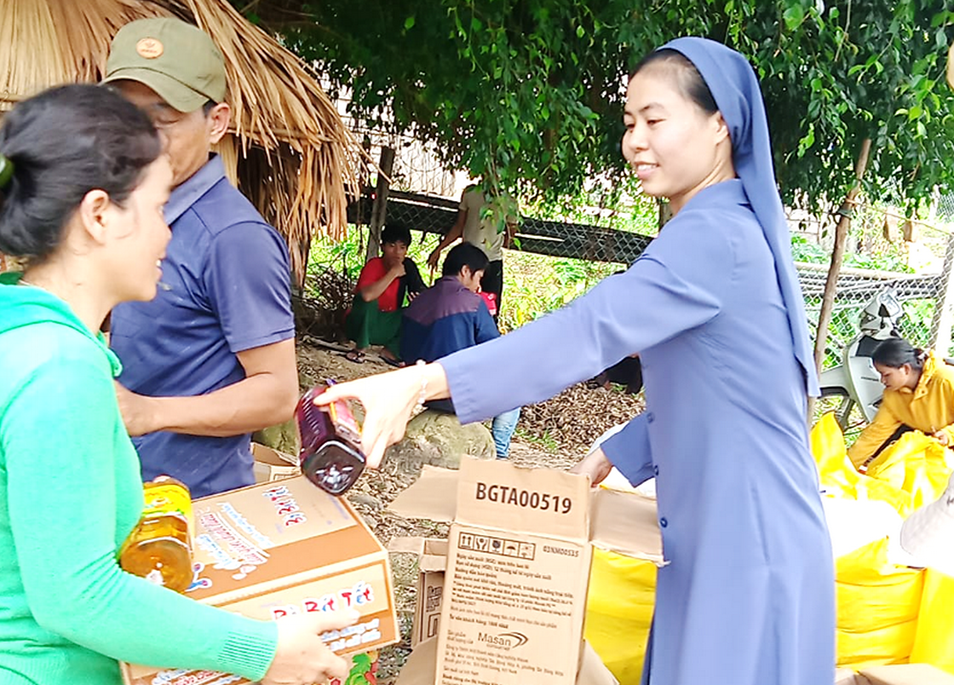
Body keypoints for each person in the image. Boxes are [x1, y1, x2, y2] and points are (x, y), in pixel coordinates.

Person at [319, 37, 835, 685]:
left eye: (655, 120)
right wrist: (621, 447)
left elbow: (589, 330)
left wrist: (422, 381)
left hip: (747, 547)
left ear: (719, 127)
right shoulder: (717, 228)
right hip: (728, 533)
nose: (634, 142)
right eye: (628, 123)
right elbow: (730, 385)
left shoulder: (714, 236)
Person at [0, 84, 354, 685]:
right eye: (158, 207)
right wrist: (263, 650)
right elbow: (78, 595)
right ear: (98, 215)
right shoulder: (59, 371)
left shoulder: (2, 328)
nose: (168, 234)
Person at [104, 18, 300, 498]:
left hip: (189, 505)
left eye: (163, 117)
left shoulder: (234, 238)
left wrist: (147, 413)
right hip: (119, 490)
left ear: (216, 122)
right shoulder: (132, 208)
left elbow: (277, 392)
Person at [402, 243, 520, 459]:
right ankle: (500, 455)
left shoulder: (419, 302)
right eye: (478, 278)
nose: (478, 287)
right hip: (458, 397)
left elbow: (404, 352)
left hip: (424, 392)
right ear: (466, 271)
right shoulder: (472, 302)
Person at [847, 338, 954, 470]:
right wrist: (842, 468)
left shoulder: (946, 379)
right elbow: (875, 434)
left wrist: (949, 434)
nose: (882, 380)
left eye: (886, 374)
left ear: (906, 369)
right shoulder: (892, 395)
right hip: (932, 446)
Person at [426, 180, 519, 318]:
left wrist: (504, 241)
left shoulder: (509, 201)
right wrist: (439, 249)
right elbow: (459, 226)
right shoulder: (470, 193)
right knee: (458, 307)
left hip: (492, 261)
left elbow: (511, 232)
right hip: (468, 260)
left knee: (490, 312)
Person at [345, 224, 425, 365]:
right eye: (392, 246)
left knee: (417, 312)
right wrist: (393, 273)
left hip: (385, 326)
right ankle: (360, 348)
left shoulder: (408, 267)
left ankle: (391, 351)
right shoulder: (374, 264)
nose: (397, 252)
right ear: (382, 247)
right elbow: (367, 296)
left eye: (402, 248)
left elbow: (421, 292)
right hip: (358, 326)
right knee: (369, 300)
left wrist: (418, 302)